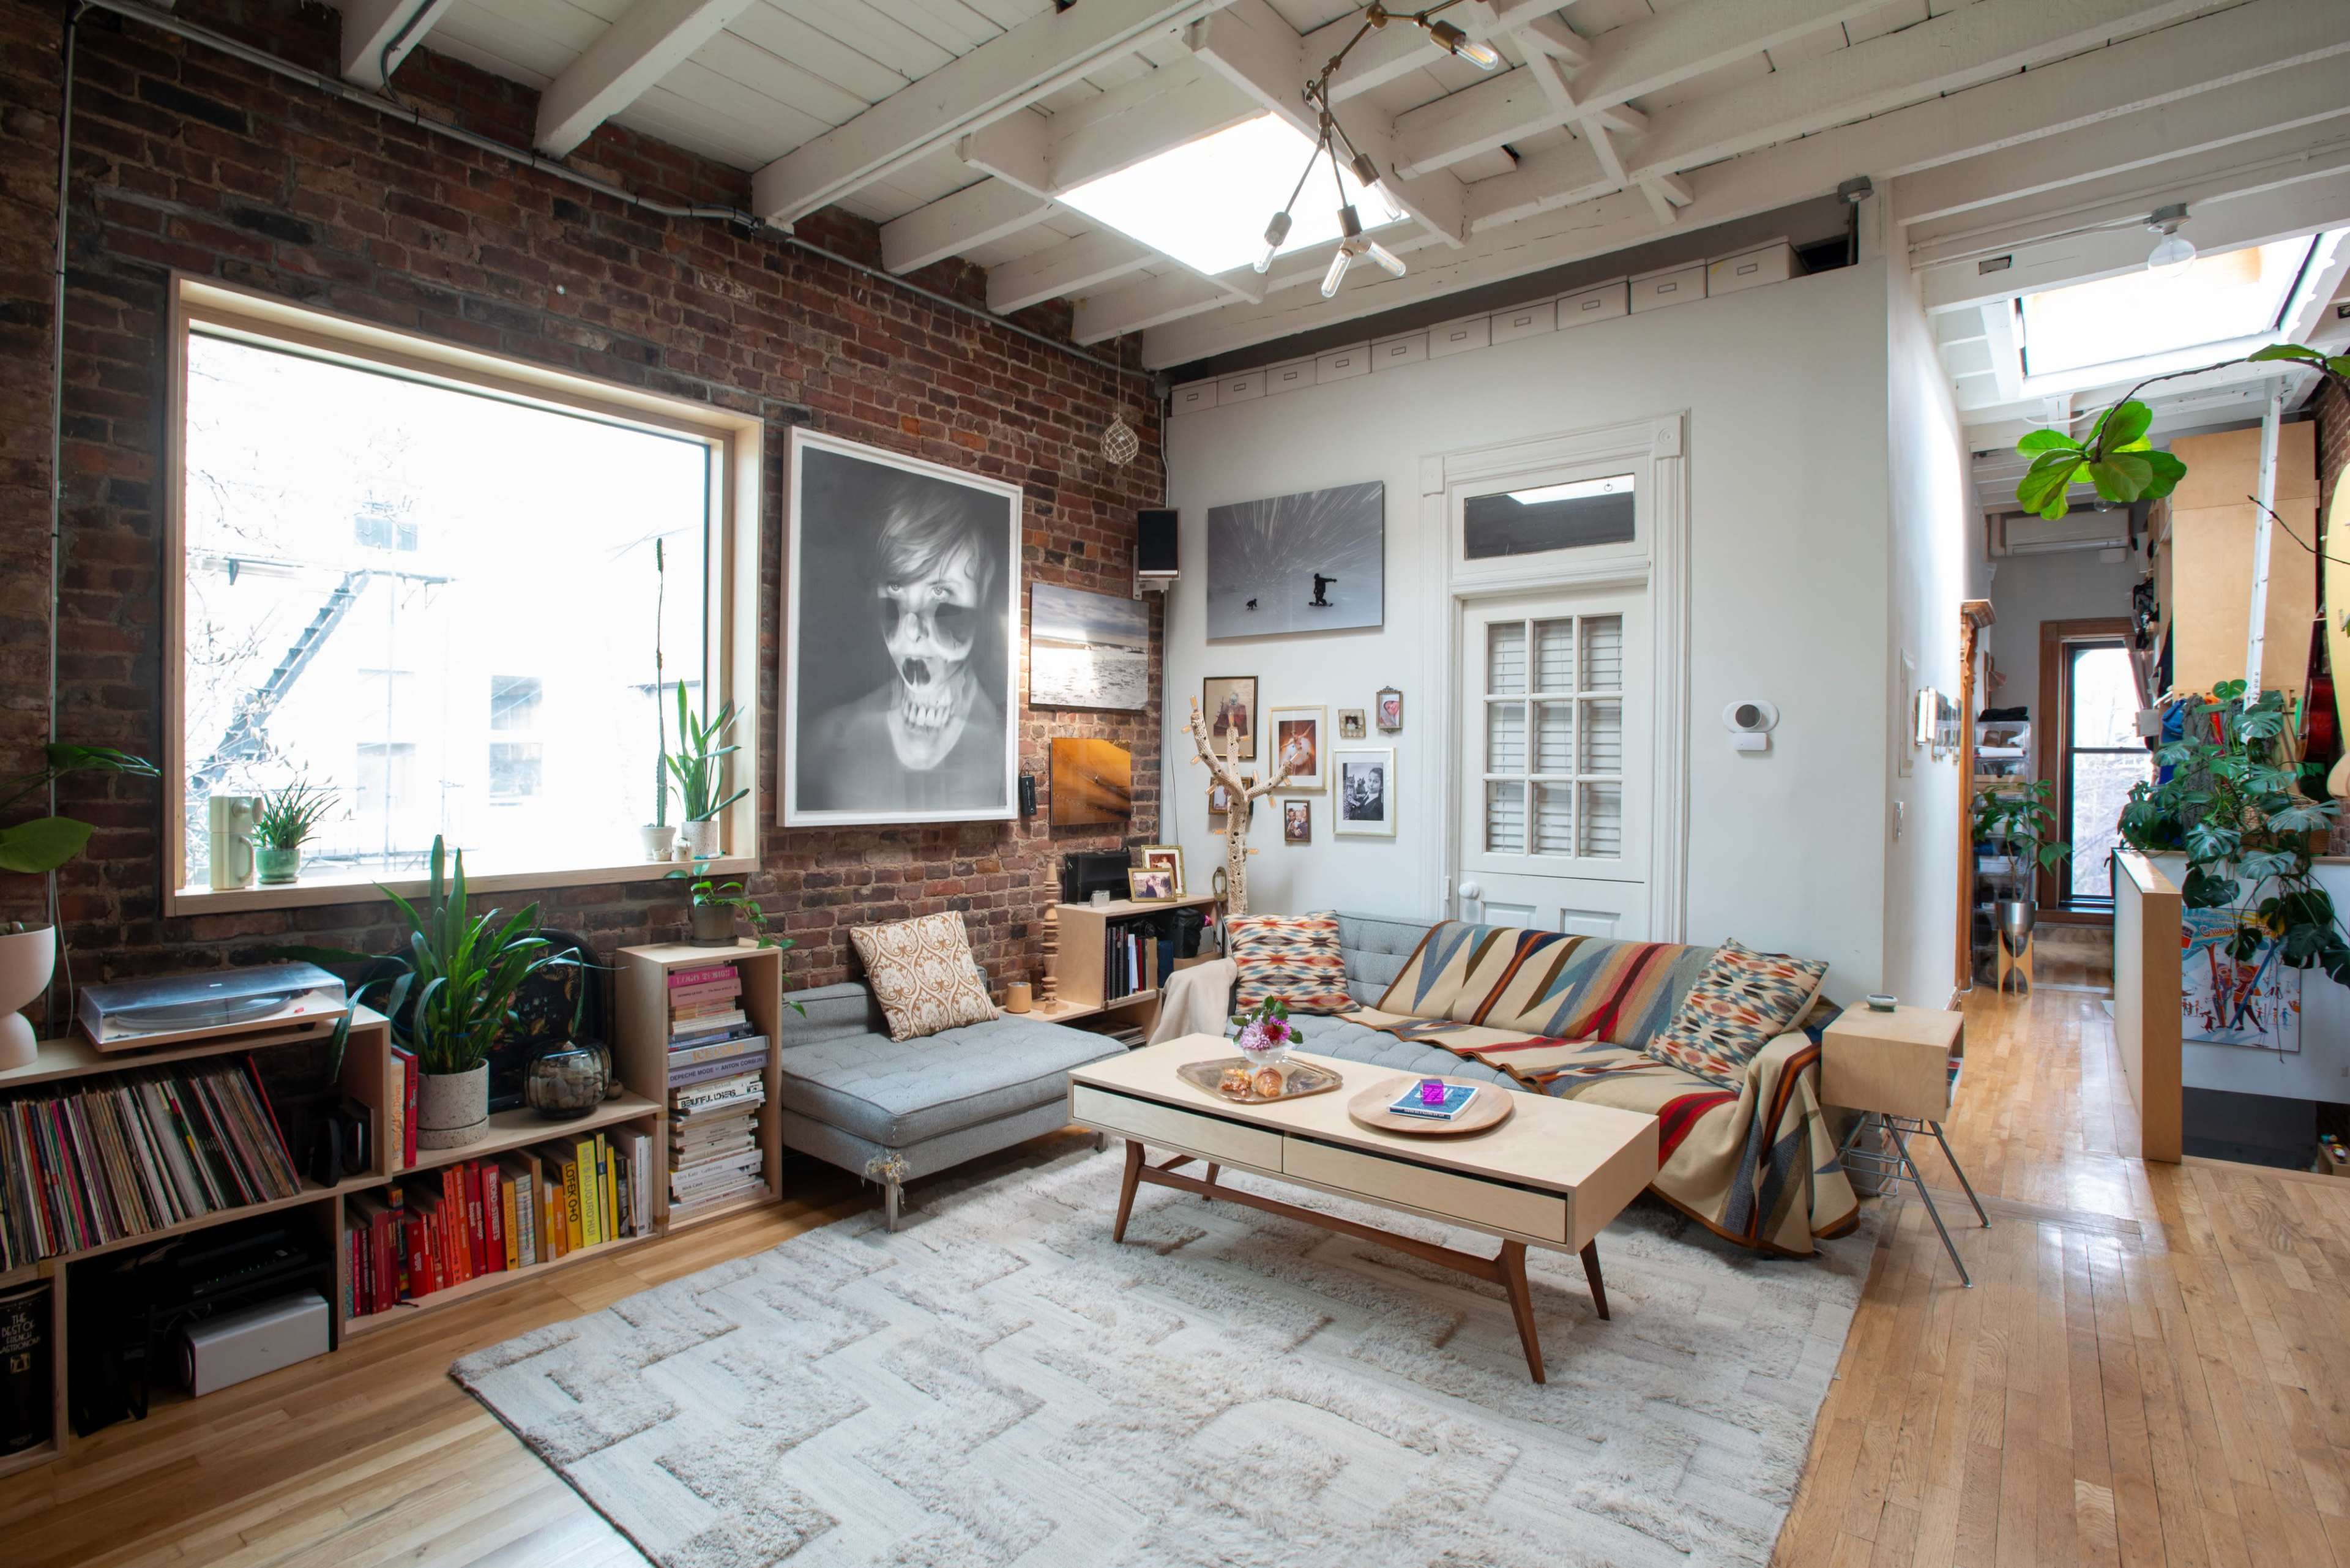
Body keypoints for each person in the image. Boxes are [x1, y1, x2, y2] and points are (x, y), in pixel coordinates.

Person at [800, 471, 1005, 814]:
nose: (912, 632)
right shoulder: (829, 740)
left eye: (941, 596)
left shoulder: (1005, 749)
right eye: (895, 593)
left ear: (983, 593)